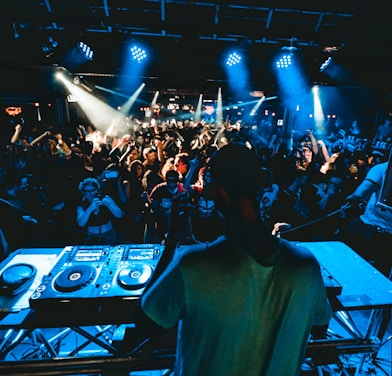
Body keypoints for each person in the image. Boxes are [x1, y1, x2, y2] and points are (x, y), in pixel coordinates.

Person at [133, 142, 332, 376]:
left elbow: (146, 322)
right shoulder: (305, 264)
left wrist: (171, 242)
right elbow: (320, 324)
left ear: (218, 191)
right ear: (259, 188)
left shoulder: (194, 265)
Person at [335, 160, 392, 277]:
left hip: (367, 229)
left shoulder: (382, 169)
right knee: (378, 278)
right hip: (388, 241)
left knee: (342, 264)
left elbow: (359, 194)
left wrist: (349, 202)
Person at [76, 177, 123, 245]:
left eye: (94, 190)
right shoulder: (82, 206)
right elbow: (81, 223)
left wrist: (110, 206)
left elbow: (119, 215)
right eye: (88, 191)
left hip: (109, 235)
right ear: (84, 194)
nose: (92, 193)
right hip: (92, 237)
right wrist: (90, 209)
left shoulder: (106, 198)